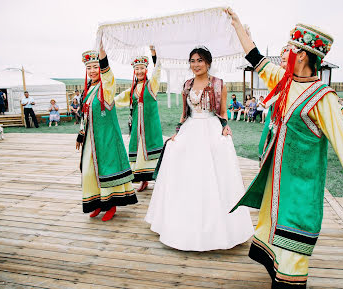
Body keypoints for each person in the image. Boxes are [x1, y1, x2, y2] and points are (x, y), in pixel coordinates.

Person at [227, 8, 343, 288]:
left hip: (303, 183)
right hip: (278, 180)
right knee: (272, 229)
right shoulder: (284, 81)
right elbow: (255, 57)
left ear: (301, 54)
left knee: (295, 237)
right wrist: (238, 26)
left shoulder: (323, 97)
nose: (284, 52)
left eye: (289, 48)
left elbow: (342, 140)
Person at [145, 46, 254, 251]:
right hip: (191, 128)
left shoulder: (219, 84)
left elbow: (222, 112)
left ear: (208, 63)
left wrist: (225, 127)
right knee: (180, 162)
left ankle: (218, 229)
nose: (196, 65)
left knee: (212, 176)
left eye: (200, 60)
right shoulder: (187, 85)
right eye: (193, 61)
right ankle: (180, 224)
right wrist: (177, 132)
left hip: (211, 128)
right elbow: (184, 113)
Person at [75, 45, 136, 222]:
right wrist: (80, 134)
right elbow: (85, 113)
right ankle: (97, 203)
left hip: (106, 138)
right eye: (89, 68)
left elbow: (108, 77)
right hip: (91, 140)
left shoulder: (106, 88)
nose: (93, 71)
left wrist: (103, 56)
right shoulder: (88, 90)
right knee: (89, 172)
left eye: (95, 67)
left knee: (106, 169)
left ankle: (111, 204)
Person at [114, 46, 163, 193]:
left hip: (150, 125)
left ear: (146, 69)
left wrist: (154, 54)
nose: (139, 71)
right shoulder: (132, 89)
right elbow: (118, 99)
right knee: (139, 152)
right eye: (137, 69)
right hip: (137, 126)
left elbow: (158, 70)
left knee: (152, 152)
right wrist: (106, 101)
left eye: (142, 68)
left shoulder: (151, 85)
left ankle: (160, 180)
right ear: (134, 71)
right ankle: (144, 180)